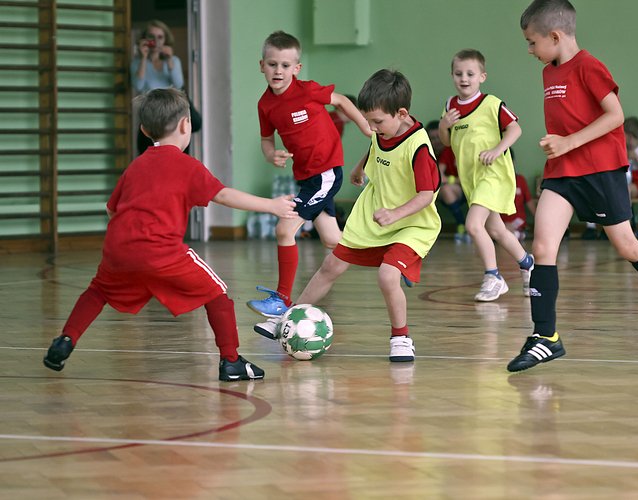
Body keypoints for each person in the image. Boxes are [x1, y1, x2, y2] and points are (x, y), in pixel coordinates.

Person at [42, 88, 297, 381]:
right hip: (161, 252)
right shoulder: (187, 166)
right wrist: (272, 205)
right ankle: (231, 361)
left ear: (144, 129)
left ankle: (66, 340)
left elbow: (111, 209)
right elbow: (223, 195)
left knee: (98, 291)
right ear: (186, 125)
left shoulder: (136, 166)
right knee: (217, 293)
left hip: (118, 248)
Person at [508, 0, 638, 372]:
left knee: (627, 246)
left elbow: (615, 116)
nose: (529, 50)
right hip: (563, 171)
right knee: (543, 245)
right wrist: (559, 147)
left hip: (600, 171)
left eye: (532, 42)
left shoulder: (590, 67)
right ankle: (545, 337)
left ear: (555, 36)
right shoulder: (549, 71)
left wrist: (568, 142)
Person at [254, 69, 442, 362]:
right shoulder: (384, 130)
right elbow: (377, 146)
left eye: (377, 122)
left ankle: (401, 337)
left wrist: (395, 214)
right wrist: (359, 167)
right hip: (373, 216)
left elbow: (426, 196)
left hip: (412, 224)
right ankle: (286, 319)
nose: (372, 128)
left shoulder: (419, 147)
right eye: (368, 122)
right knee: (331, 266)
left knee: (387, 275)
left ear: (402, 113)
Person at [247, 31, 372, 318]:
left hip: (325, 173)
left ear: (297, 68)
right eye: (272, 64)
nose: (278, 70)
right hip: (307, 177)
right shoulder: (264, 105)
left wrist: (365, 126)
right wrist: (270, 154)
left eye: (285, 65)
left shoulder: (307, 90)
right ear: (262, 65)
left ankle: (282, 299)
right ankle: (389, 258)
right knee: (332, 240)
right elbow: (266, 139)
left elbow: (340, 100)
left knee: (284, 229)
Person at [438, 49, 535, 299]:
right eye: (458, 73)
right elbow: (446, 142)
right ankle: (527, 264)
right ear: (451, 76)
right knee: (497, 230)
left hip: (493, 175)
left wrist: (497, 149)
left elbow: (515, 129)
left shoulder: (491, 104)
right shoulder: (450, 106)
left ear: (482, 76)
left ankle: (493, 276)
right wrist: (443, 125)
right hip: (470, 178)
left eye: (470, 73)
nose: (464, 78)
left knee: (473, 225)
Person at [131, 20, 201, 155]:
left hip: (171, 110)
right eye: (151, 36)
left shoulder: (173, 61)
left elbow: (179, 84)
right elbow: (138, 85)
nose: (156, 41)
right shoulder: (137, 63)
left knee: (176, 149)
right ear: (145, 39)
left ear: (165, 40)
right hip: (151, 113)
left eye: (160, 37)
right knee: (149, 152)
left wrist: (169, 62)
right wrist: (144, 58)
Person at [426, 120, 469, 242]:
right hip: (435, 192)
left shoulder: (453, 150)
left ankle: (462, 225)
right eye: (432, 138)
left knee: (446, 189)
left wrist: (450, 180)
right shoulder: (426, 153)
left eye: (438, 137)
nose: (436, 141)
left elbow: (469, 178)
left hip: (463, 191)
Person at [501, 171, 537, 241]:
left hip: (518, 221)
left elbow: (529, 201)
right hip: (502, 222)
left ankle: (517, 234)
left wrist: (538, 219)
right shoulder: (498, 181)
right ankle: (516, 235)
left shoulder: (520, 179)